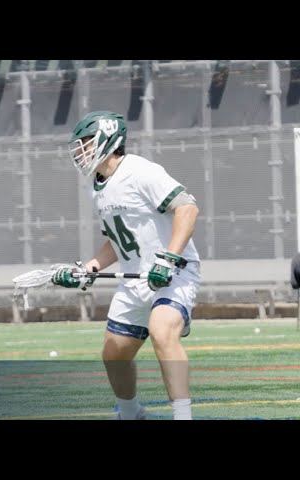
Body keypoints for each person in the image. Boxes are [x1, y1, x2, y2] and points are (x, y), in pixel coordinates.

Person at [51, 111, 201, 420]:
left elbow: (187, 209)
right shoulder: (96, 187)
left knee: (161, 331)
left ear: (108, 140)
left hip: (173, 272)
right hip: (135, 279)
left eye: (87, 143)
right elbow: (118, 240)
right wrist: (90, 267)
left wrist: (168, 258)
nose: (81, 151)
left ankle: (182, 416)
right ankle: (131, 414)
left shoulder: (140, 171)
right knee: (113, 354)